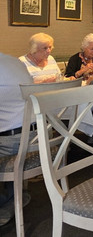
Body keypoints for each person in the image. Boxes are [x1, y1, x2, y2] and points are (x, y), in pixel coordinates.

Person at [0, 53, 33, 226]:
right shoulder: (16, 61)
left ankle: (9, 200)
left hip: (14, 142)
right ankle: (13, 197)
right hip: (39, 137)